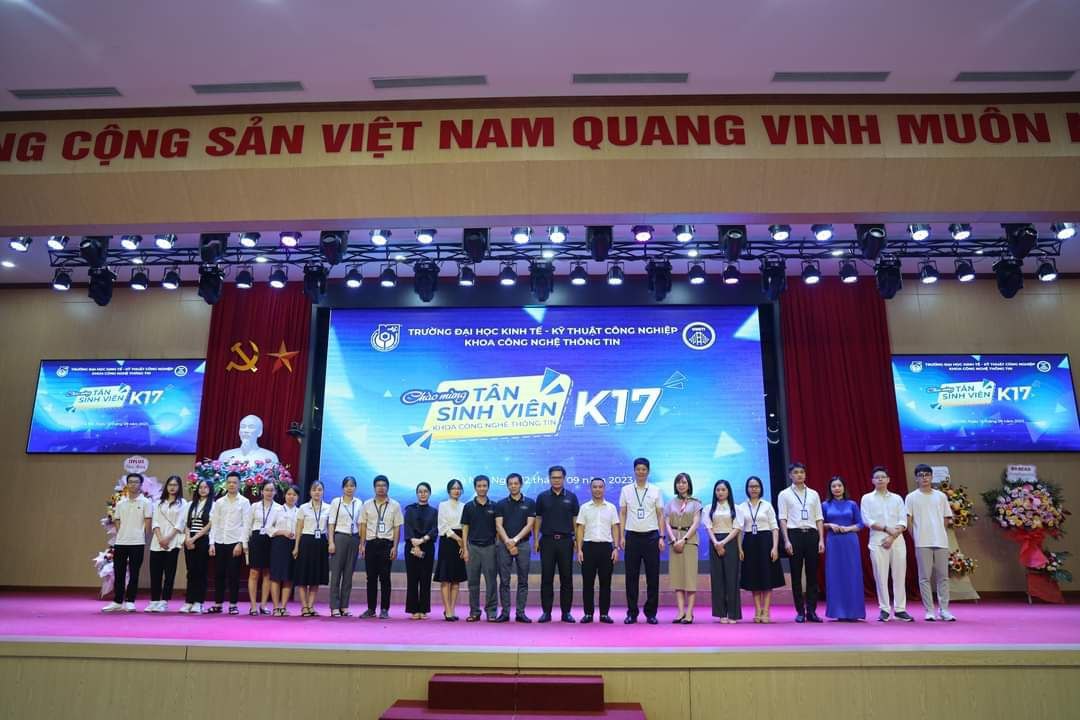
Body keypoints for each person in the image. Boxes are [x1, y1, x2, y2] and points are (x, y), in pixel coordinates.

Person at [860, 466, 913, 622]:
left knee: (899, 575)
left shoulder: (897, 498)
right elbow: (867, 520)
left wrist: (892, 536)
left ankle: (900, 609)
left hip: (897, 541)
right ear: (872, 480)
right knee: (880, 576)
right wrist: (886, 529)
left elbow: (903, 521)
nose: (880, 479)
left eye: (883, 477)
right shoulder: (867, 498)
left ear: (888, 479)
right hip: (877, 542)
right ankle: (884, 609)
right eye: (877, 477)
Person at [906, 464, 955, 622]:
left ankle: (944, 609)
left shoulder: (940, 496)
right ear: (916, 478)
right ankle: (929, 610)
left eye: (927, 475)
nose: (924, 478)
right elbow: (908, 520)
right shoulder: (911, 497)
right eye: (921, 475)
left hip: (940, 541)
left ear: (932, 477)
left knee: (943, 577)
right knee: (924, 577)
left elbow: (946, 517)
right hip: (922, 542)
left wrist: (939, 532)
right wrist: (916, 537)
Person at [618, 457, 665, 624]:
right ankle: (632, 612)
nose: (641, 472)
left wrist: (661, 536)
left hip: (651, 537)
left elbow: (660, 515)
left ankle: (651, 613)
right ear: (634, 471)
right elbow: (622, 513)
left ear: (648, 471)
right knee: (631, 577)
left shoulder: (656, 490)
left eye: (644, 469)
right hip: (632, 536)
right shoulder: (626, 490)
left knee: (653, 577)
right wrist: (621, 536)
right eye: (638, 469)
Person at [777, 462, 824, 623]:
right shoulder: (784, 494)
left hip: (811, 534)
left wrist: (821, 539)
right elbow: (782, 519)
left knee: (812, 574)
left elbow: (819, 518)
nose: (799, 475)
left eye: (802, 472)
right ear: (790, 475)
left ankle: (812, 611)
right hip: (794, 534)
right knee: (796, 575)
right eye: (796, 472)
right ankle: (800, 611)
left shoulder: (813, 494)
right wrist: (786, 540)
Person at [534, 465, 580, 623]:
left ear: (564, 478)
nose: (556, 480)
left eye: (559, 477)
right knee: (546, 578)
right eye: (553, 477)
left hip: (566, 542)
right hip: (547, 541)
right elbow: (538, 519)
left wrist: (577, 540)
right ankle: (546, 612)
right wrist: (536, 539)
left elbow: (575, 520)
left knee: (566, 578)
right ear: (549, 479)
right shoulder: (542, 497)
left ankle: (566, 613)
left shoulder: (572, 497)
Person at [103, 473, 152, 613]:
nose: (133, 484)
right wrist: (122, 533)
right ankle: (117, 601)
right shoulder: (120, 503)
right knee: (119, 572)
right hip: (121, 542)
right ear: (127, 484)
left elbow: (148, 522)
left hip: (137, 542)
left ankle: (130, 601)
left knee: (134, 573)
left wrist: (142, 536)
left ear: (141, 485)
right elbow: (117, 520)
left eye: (136, 482)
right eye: (130, 482)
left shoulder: (146, 502)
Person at [575, 477, 620, 624]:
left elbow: (615, 527)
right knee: (587, 583)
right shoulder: (584, 508)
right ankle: (588, 613)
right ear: (590, 489)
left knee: (605, 583)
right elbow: (580, 528)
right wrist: (579, 549)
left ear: (604, 489)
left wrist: (616, 548)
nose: (598, 489)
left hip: (606, 548)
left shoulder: (611, 508)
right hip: (588, 547)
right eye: (595, 487)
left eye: (600, 487)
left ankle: (604, 614)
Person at [739, 475, 783, 623]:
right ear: (747, 489)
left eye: (756, 486)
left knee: (767, 577)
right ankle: (758, 609)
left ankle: (766, 610)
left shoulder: (767, 505)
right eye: (751, 486)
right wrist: (739, 548)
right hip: (749, 543)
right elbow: (739, 530)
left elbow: (775, 528)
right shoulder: (741, 507)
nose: (754, 489)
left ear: (761, 488)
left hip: (766, 542)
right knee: (754, 577)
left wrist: (775, 547)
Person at [822, 476, 865, 621]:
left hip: (850, 542)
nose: (837, 488)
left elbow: (860, 524)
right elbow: (819, 524)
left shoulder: (852, 504)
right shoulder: (825, 505)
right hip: (833, 542)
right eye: (833, 486)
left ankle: (854, 612)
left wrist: (848, 528)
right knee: (835, 575)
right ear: (830, 489)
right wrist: (829, 525)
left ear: (844, 487)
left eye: (839, 485)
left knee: (852, 574)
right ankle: (838, 611)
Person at [208, 471, 252, 615]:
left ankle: (233, 604)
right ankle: (218, 603)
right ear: (226, 484)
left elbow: (246, 525)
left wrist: (241, 543)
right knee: (219, 574)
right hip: (219, 541)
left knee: (234, 575)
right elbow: (214, 523)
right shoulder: (219, 502)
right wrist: (211, 543)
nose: (231, 485)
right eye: (229, 482)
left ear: (239, 484)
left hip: (235, 542)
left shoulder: (244, 502)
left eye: (234, 482)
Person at [359, 475, 403, 619]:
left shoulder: (395, 505)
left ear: (388, 487)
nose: (381, 488)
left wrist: (395, 547)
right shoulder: (367, 504)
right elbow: (363, 525)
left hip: (386, 544)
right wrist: (362, 544)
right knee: (371, 578)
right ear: (374, 488)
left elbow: (397, 527)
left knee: (385, 578)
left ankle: (384, 609)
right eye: (378, 485)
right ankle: (371, 609)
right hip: (371, 543)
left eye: (383, 485)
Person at [494, 473, 536, 623]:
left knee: (523, 580)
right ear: (507, 486)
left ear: (521, 484)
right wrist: (508, 542)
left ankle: (520, 613)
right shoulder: (500, 504)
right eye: (510, 484)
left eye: (516, 483)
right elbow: (498, 525)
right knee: (504, 580)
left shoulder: (530, 503)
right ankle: (505, 613)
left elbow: (529, 524)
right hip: (504, 545)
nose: (513, 486)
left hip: (523, 544)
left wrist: (515, 540)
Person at [664, 472, 702, 624]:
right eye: (679, 482)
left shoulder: (696, 503)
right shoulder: (670, 503)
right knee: (678, 578)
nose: (681, 485)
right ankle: (680, 612)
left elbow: (696, 523)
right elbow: (666, 523)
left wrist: (684, 539)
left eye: (684, 482)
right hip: (674, 542)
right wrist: (674, 540)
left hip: (690, 542)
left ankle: (690, 613)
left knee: (689, 578)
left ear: (689, 484)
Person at [146, 475, 187, 613]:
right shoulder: (158, 503)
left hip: (173, 543)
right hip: (157, 543)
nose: (172, 487)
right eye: (170, 485)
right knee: (155, 573)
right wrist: (160, 538)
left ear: (179, 487)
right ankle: (154, 601)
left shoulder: (183, 503)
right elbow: (155, 522)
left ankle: (164, 601)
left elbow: (180, 523)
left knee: (169, 574)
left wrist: (168, 539)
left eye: (175, 485)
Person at [461, 475, 498, 622]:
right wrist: (465, 548)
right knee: (473, 582)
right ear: (475, 488)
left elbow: (498, 527)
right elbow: (465, 528)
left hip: (490, 547)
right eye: (479, 486)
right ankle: (474, 611)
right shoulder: (468, 506)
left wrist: (497, 546)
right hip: (473, 547)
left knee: (491, 581)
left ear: (488, 487)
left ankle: (492, 611)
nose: (482, 488)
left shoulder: (495, 506)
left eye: (484, 486)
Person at [293, 480, 330, 616]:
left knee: (316, 577)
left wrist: (330, 543)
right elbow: (299, 528)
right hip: (306, 542)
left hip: (321, 543)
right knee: (303, 576)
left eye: (319, 490)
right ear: (310, 492)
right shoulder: (303, 508)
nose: (317, 492)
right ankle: (304, 606)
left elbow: (330, 528)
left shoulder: (328, 508)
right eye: (314, 490)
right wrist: (296, 547)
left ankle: (310, 606)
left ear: (323, 492)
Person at [707, 479, 742, 624]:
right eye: (718, 490)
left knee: (732, 578)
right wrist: (716, 543)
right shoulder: (709, 508)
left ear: (728, 492)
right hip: (714, 542)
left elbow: (737, 528)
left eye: (723, 490)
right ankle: (721, 613)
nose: (720, 492)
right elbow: (708, 527)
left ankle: (733, 613)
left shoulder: (736, 508)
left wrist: (723, 542)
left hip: (730, 542)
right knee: (717, 579)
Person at [327, 476, 362, 617]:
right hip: (339, 537)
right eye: (347, 486)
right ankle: (334, 606)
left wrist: (362, 543)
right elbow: (331, 523)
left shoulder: (359, 503)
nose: (349, 488)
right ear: (343, 488)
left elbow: (360, 524)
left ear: (355, 488)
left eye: (352, 486)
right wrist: (331, 542)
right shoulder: (336, 502)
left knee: (348, 574)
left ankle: (344, 606)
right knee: (336, 574)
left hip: (354, 538)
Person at [434, 479, 467, 621]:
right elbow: (442, 526)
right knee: (445, 578)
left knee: (456, 579)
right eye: (454, 488)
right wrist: (458, 539)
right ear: (449, 491)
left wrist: (463, 543)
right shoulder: (443, 505)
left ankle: (452, 610)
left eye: (459, 488)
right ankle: (447, 610)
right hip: (448, 541)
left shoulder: (465, 506)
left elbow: (466, 526)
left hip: (461, 540)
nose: (456, 491)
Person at [404, 482, 438, 619]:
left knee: (425, 579)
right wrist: (415, 542)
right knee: (412, 579)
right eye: (420, 491)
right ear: (417, 493)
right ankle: (413, 610)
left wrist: (422, 540)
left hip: (427, 547)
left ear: (429, 493)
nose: (423, 494)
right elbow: (407, 527)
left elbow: (435, 529)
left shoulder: (434, 511)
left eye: (425, 491)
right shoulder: (410, 510)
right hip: (411, 547)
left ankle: (423, 610)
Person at [246, 480, 280, 616]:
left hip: (271, 540)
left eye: (272, 490)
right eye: (266, 490)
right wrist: (244, 543)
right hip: (256, 540)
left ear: (275, 492)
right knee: (254, 573)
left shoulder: (279, 508)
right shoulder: (254, 506)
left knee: (267, 573)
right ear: (262, 491)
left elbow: (278, 526)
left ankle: (263, 605)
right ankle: (253, 605)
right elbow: (247, 525)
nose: (269, 493)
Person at [179, 479, 213, 614]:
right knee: (191, 571)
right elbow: (187, 523)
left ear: (210, 489)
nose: (202, 490)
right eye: (200, 487)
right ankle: (189, 601)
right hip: (189, 540)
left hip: (203, 539)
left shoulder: (213, 505)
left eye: (205, 487)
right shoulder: (190, 504)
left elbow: (209, 525)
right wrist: (188, 539)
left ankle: (198, 602)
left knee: (201, 571)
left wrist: (194, 538)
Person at [268, 484, 300, 616]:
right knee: (276, 576)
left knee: (288, 576)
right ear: (284, 496)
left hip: (293, 545)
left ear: (298, 497)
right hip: (279, 544)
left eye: (294, 495)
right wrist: (282, 532)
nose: (291, 497)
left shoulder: (300, 511)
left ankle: (283, 607)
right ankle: (276, 607)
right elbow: (269, 528)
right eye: (289, 494)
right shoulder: (277, 510)